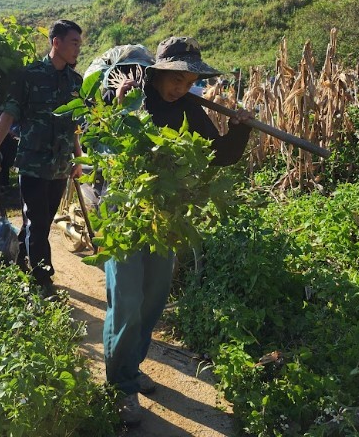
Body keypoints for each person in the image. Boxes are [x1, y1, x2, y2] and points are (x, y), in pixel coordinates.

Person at [105, 36, 253, 425]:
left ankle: (132, 366)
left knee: (153, 298)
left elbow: (217, 155)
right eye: (176, 79)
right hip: (128, 213)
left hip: (168, 216)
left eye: (189, 82)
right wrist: (121, 105)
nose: (181, 88)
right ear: (160, 73)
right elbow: (109, 140)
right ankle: (120, 386)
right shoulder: (130, 95)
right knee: (126, 300)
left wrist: (239, 130)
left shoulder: (188, 107)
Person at [0, 19, 84, 295]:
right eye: (74, 43)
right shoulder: (28, 76)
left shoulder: (76, 81)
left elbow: (73, 125)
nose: (78, 49)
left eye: (79, 44)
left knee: (40, 221)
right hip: (32, 163)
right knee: (38, 222)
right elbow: (8, 116)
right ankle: (42, 280)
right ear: (56, 42)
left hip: (61, 165)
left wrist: (78, 159)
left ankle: (20, 261)